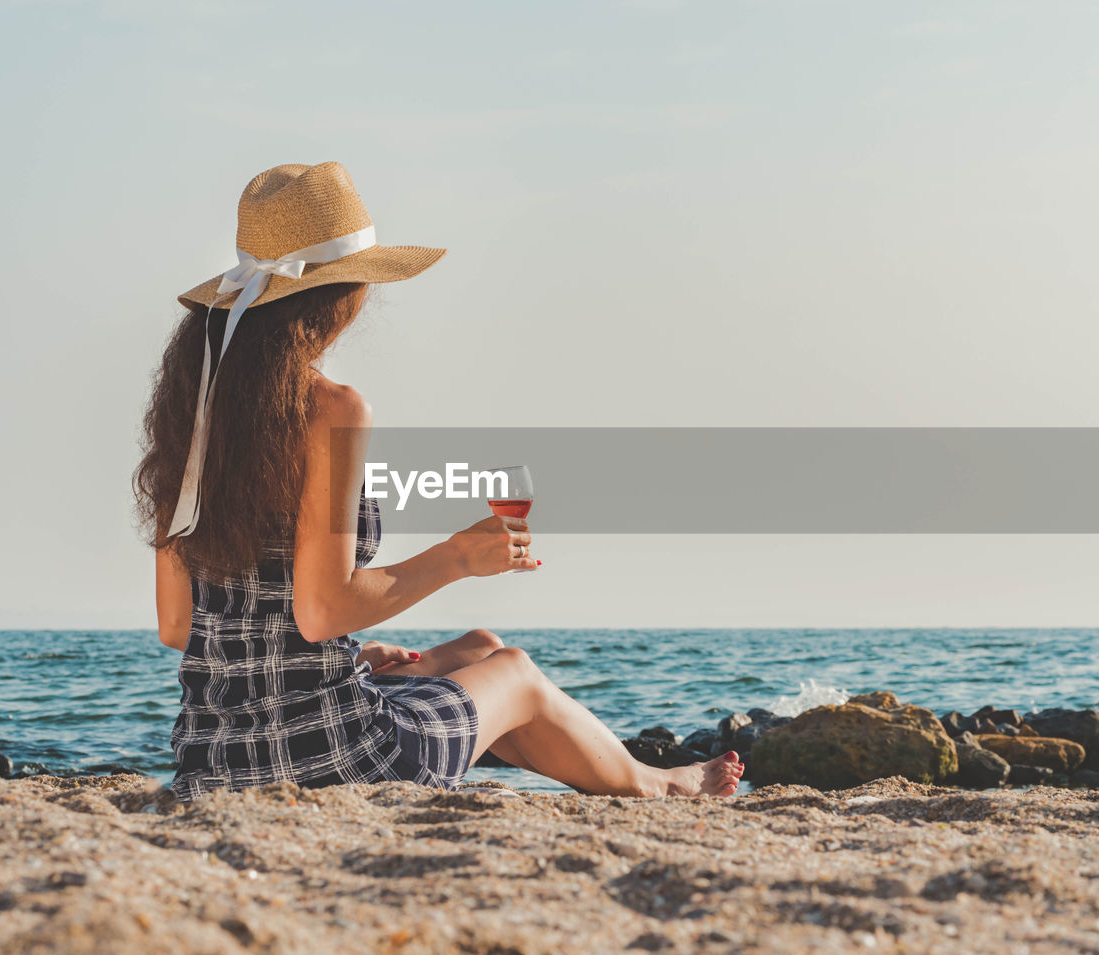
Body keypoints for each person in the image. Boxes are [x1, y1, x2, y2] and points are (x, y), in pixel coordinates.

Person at [132, 162, 744, 802]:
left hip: (211, 756)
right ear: (343, 295)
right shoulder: (332, 409)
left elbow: (181, 626)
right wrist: (458, 557)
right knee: (517, 675)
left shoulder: (191, 414)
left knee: (478, 647)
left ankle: (613, 767)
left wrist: (352, 659)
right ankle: (659, 782)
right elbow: (324, 610)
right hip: (335, 758)